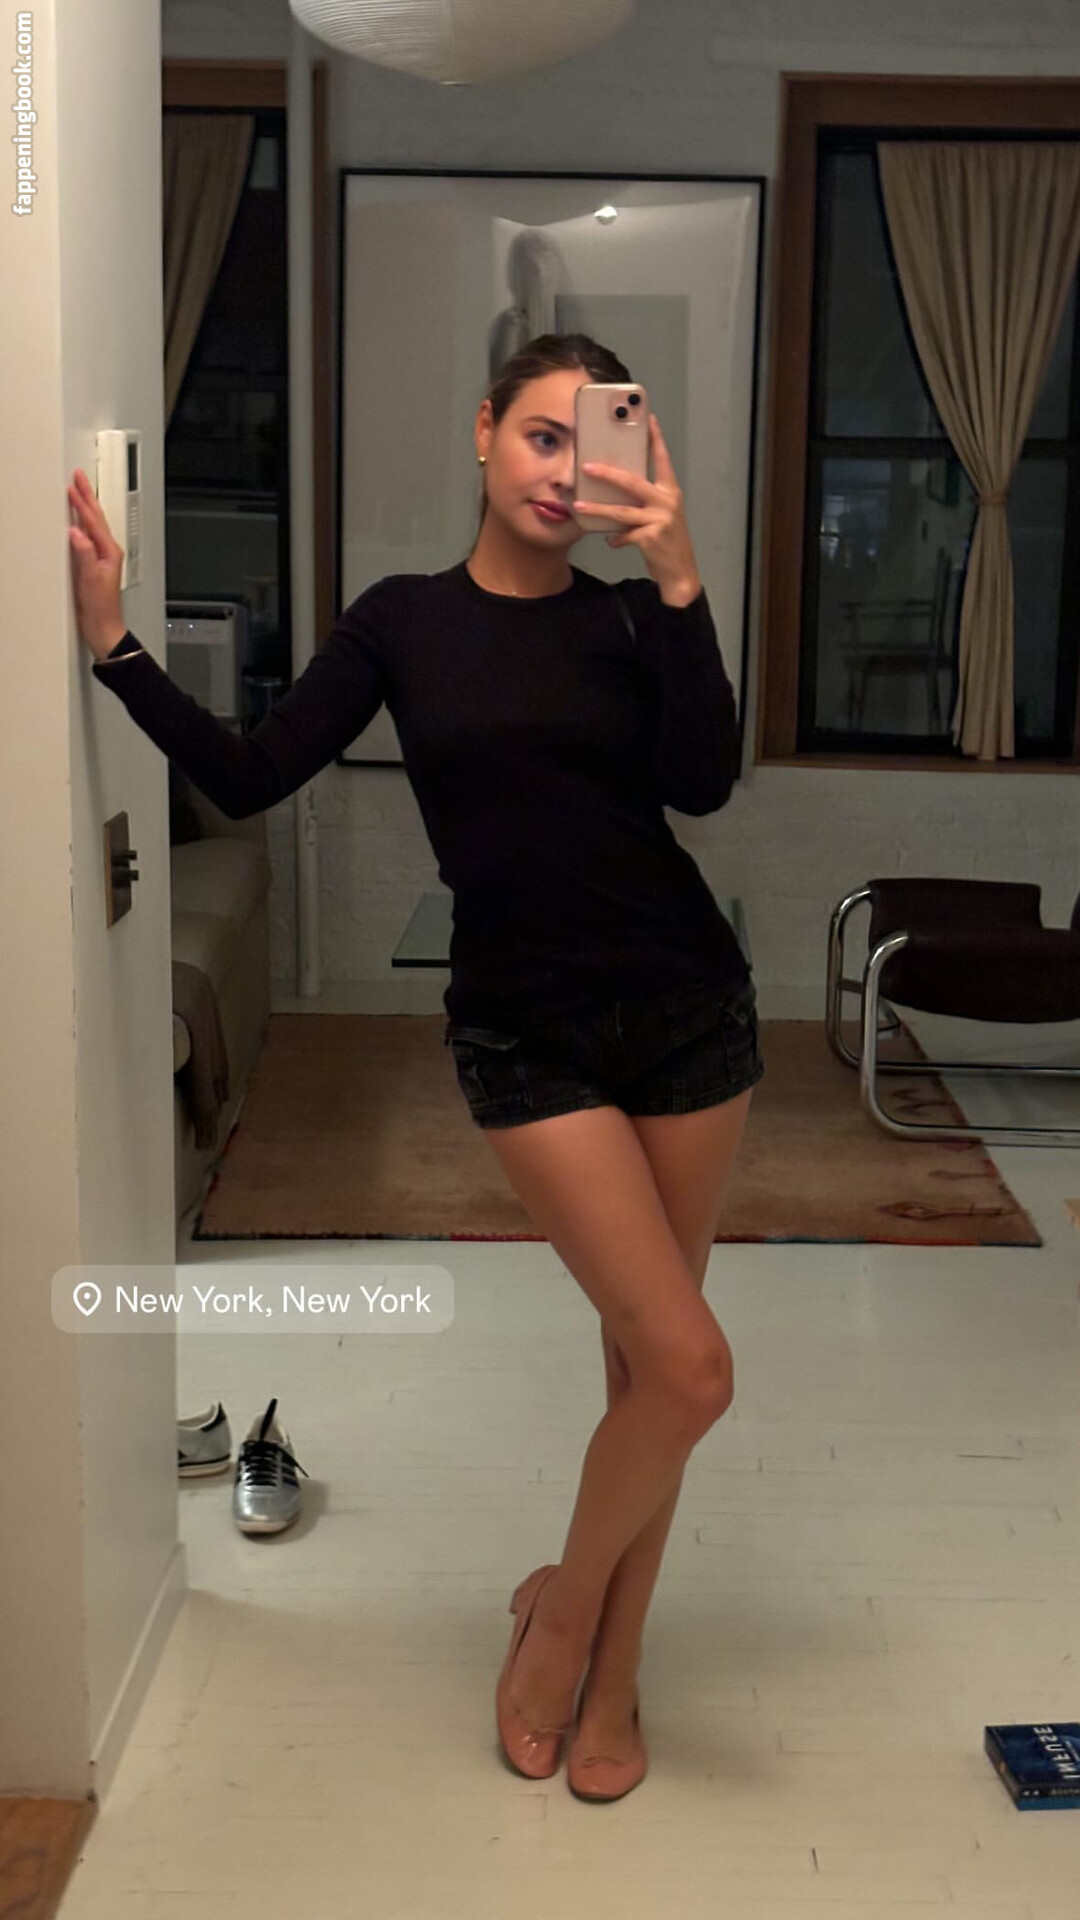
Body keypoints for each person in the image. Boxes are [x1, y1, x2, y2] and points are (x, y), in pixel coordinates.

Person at [68, 331, 763, 1803]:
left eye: (591, 442)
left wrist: (684, 581)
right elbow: (252, 770)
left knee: (646, 1370)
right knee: (693, 1368)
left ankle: (613, 1669)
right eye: (541, 436)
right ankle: (561, 1616)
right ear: (483, 432)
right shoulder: (402, 621)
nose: (563, 472)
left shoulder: (632, 617)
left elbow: (703, 782)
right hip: (526, 1031)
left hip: (690, 1013)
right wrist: (114, 644)